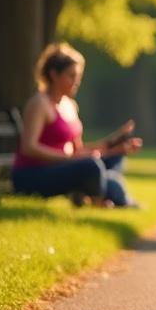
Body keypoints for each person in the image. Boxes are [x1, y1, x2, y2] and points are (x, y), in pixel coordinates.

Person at [12, 43, 143, 208]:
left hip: (63, 167)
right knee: (93, 168)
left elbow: (78, 149)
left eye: (78, 76)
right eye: (71, 76)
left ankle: (96, 193)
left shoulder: (70, 105)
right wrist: (69, 158)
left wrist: (114, 146)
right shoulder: (39, 104)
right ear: (54, 75)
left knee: (113, 159)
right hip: (33, 174)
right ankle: (100, 200)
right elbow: (29, 148)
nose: (77, 82)